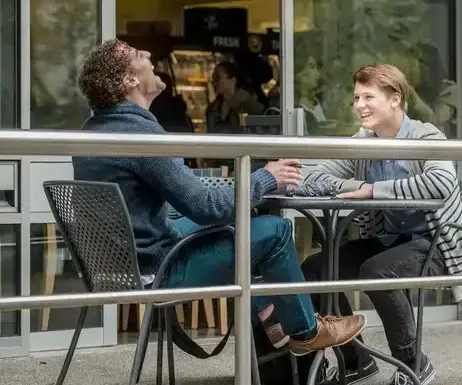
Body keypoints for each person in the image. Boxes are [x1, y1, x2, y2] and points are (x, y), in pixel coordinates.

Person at [72, 38, 365, 359]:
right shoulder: (139, 135)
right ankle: (307, 332)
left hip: (121, 263)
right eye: (137, 54)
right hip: (155, 271)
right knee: (275, 232)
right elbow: (204, 207)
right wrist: (268, 177)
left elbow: (172, 200)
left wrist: (233, 190)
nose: (148, 53)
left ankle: (270, 316)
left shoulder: (97, 128)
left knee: (240, 223)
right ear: (130, 80)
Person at [299, 63, 462, 385]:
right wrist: (359, 185)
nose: (359, 105)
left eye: (368, 97)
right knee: (315, 269)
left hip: (439, 243)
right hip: (390, 241)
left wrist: (373, 191)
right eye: (356, 97)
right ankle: (356, 360)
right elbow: (313, 177)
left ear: (395, 99)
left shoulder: (426, 137)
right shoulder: (364, 143)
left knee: (378, 271)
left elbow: (440, 184)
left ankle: (413, 364)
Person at [206, 61, 265, 134]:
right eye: (213, 78)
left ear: (233, 80)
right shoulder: (212, 109)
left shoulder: (250, 107)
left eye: (217, 78)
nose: (213, 82)